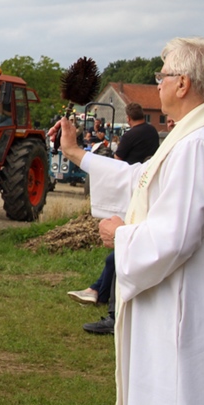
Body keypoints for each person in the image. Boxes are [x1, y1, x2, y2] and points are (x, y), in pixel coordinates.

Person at [56, 37, 204, 405]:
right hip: (194, 305)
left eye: (163, 75)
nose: (158, 83)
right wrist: (76, 153)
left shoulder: (199, 144)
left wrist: (121, 235)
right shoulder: (203, 134)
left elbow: (174, 236)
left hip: (187, 316)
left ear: (184, 83)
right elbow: (142, 179)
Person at [67, 103, 160, 334]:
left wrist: (74, 152)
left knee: (120, 253)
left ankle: (111, 312)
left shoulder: (131, 136)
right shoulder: (152, 132)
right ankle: (98, 293)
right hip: (143, 190)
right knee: (116, 257)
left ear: (128, 118)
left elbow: (120, 164)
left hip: (134, 190)